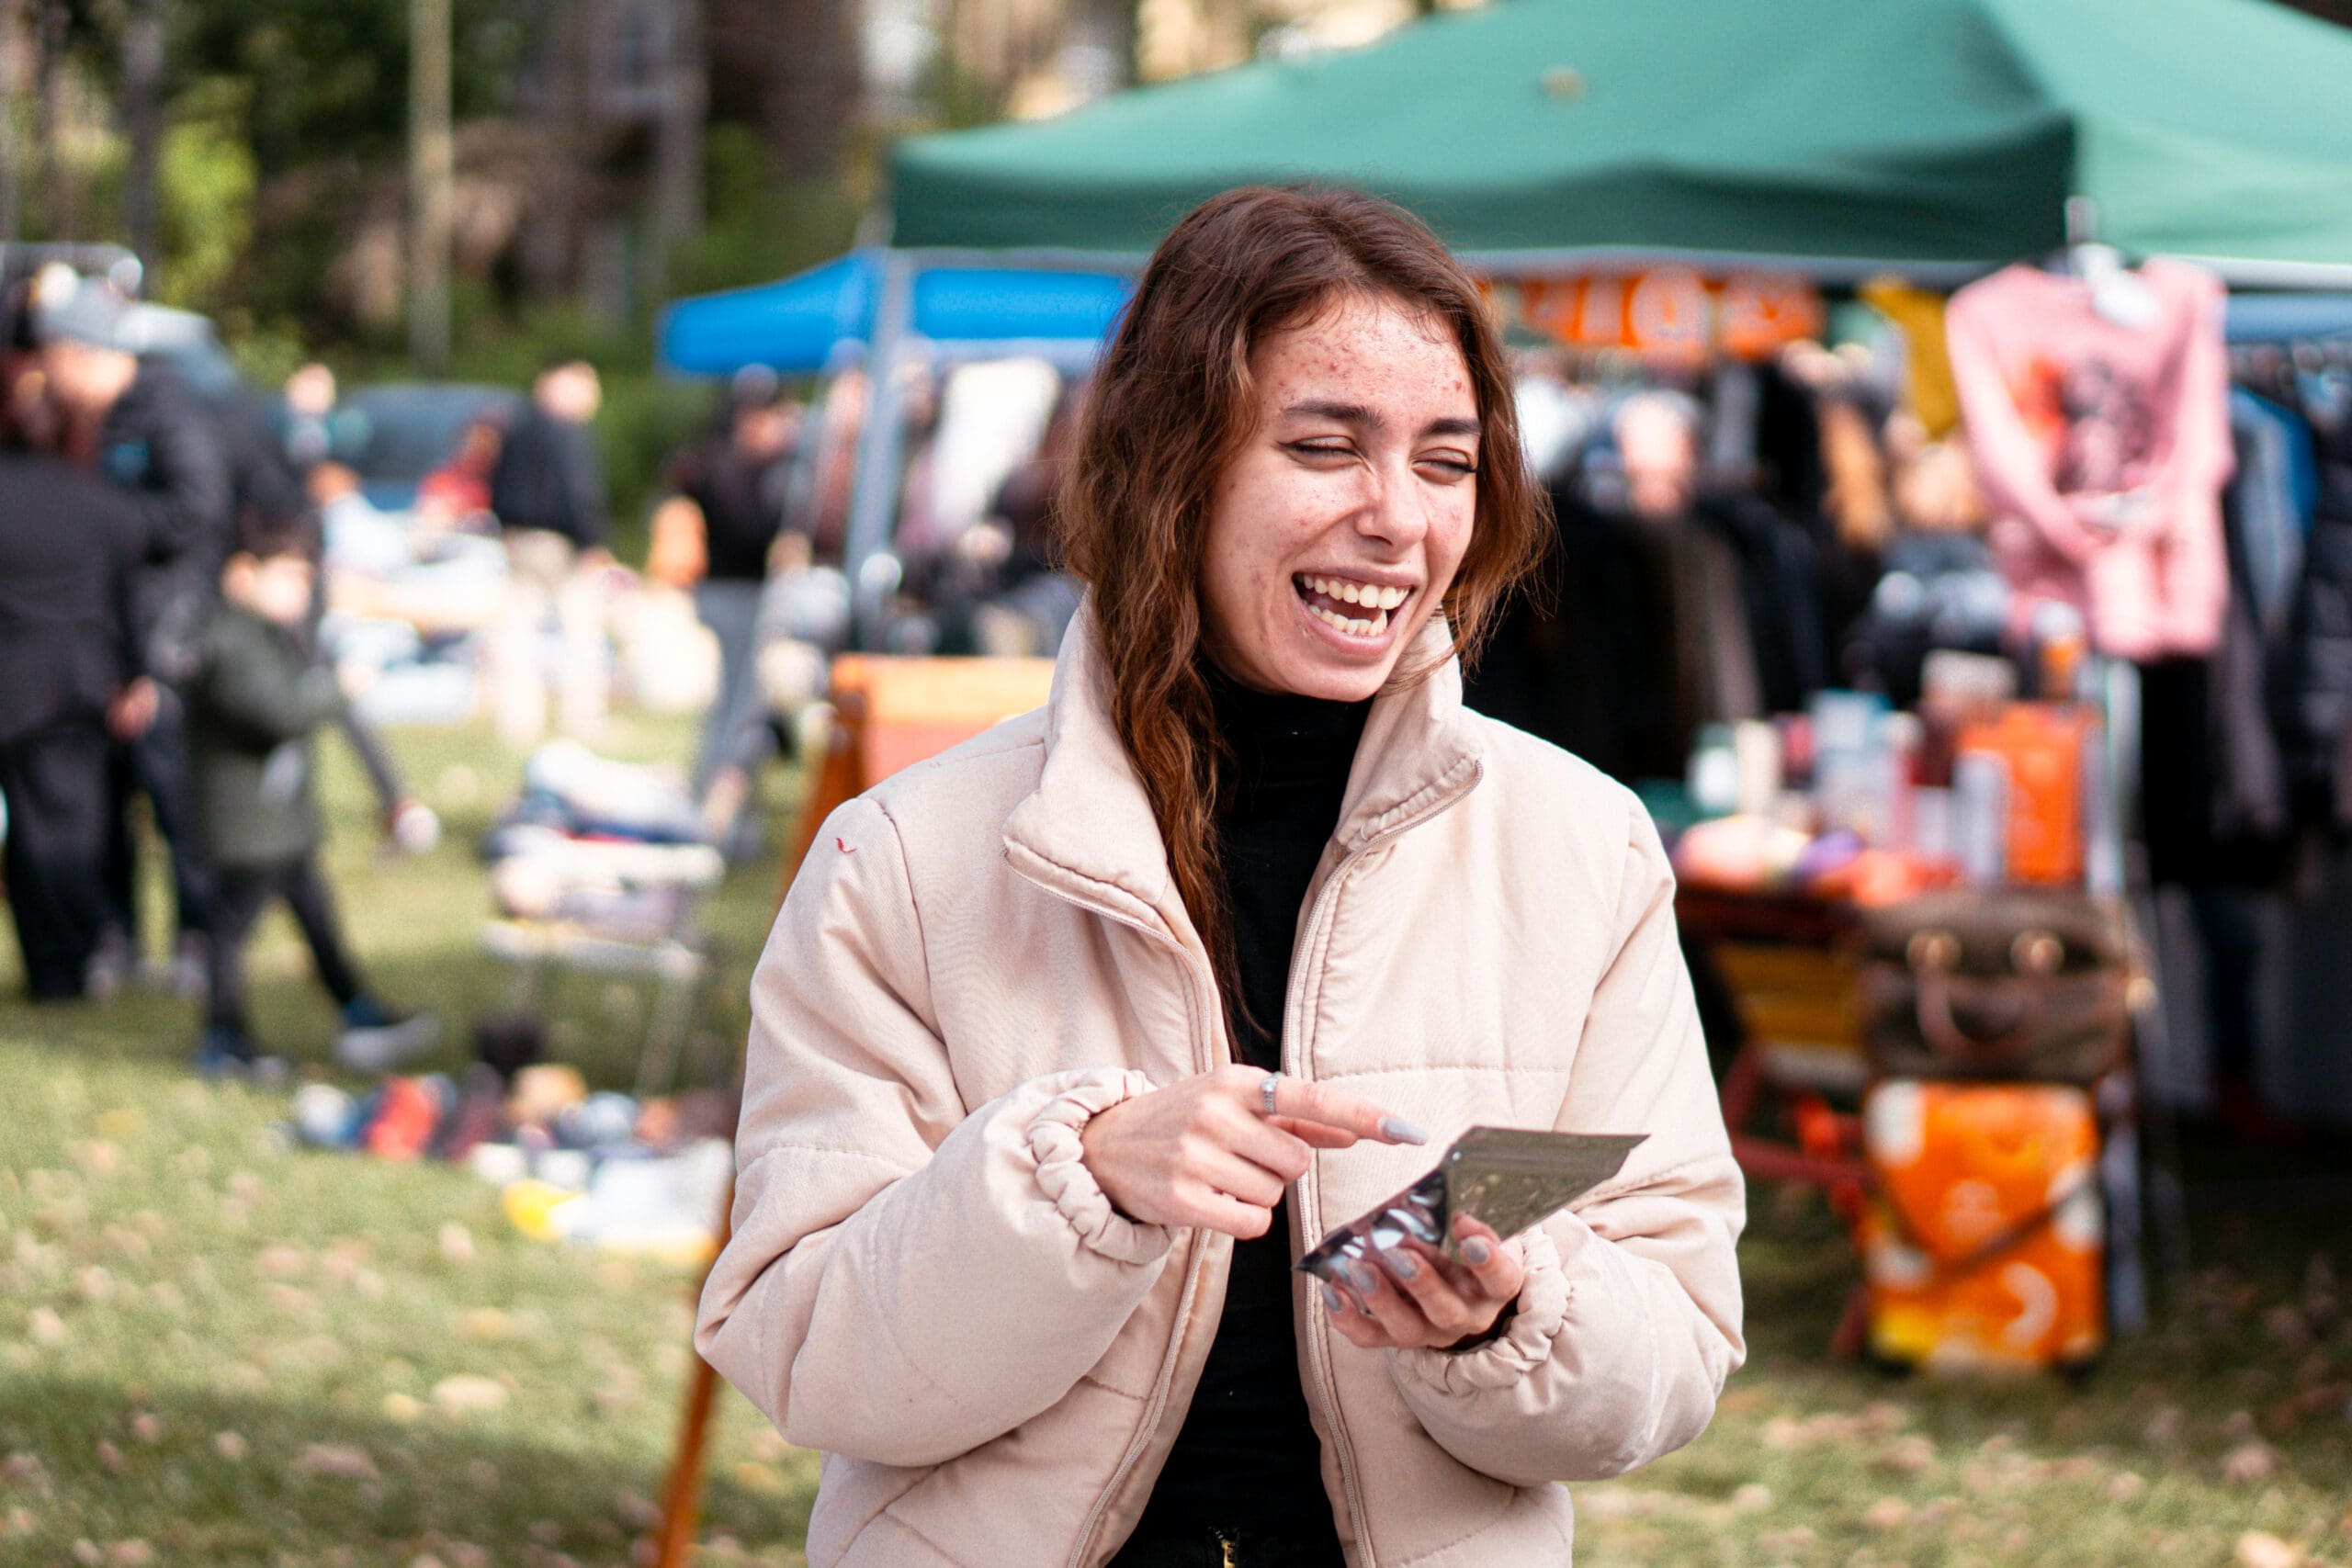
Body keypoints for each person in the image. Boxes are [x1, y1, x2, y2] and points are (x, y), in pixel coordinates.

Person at [695, 186, 1745, 1567]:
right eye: (1323, 446)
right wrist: (1071, 1181)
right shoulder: (904, 854)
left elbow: (1675, 1348)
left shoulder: (1581, 846)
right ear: (1170, 464)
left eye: (1446, 460)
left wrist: (1508, 1314)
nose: (1394, 517)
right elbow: (810, 1350)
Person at [185, 508, 436, 1077]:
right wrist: (336, 688)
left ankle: (357, 1009)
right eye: (287, 576)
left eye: (304, 577)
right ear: (242, 573)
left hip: (281, 822)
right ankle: (223, 1035)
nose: (299, 589)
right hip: (245, 823)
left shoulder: (275, 635)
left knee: (315, 915)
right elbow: (278, 712)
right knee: (229, 928)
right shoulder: (227, 637)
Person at [37, 276, 233, 994]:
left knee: (171, 789)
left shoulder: (167, 410)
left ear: (87, 353)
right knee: (107, 792)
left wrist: (103, 525)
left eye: (53, 353)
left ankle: (196, 935)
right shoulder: (81, 423)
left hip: (167, 632)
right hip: (105, 634)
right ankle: (115, 932)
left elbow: (199, 510)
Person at [0, 450, 150, 998]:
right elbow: (126, 597)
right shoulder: (99, 500)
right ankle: (78, 952)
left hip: (17, 681)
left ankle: (55, 959)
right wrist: (135, 673)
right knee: (70, 822)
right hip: (78, 679)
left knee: (32, 826)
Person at [646, 373, 801, 826]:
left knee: (739, 705)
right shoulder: (725, 465)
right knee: (738, 707)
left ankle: (721, 806)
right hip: (733, 591)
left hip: (731, 590)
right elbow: (748, 532)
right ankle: (715, 808)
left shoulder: (720, 462)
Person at [488, 355, 612, 745]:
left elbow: (497, 487)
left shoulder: (516, 426)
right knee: (580, 631)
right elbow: (578, 493)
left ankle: (518, 719)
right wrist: (592, 541)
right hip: (559, 542)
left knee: (519, 633)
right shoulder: (564, 432)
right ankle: (583, 715)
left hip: (518, 539)